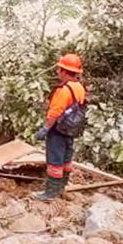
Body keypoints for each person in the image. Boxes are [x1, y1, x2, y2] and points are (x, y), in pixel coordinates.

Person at [34, 54, 87, 201]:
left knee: (55, 160)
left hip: (58, 129)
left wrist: (45, 128)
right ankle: (61, 188)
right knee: (66, 160)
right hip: (72, 129)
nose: (57, 71)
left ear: (64, 71)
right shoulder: (79, 88)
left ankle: (50, 193)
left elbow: (55, 112)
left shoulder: (64, 90)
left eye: (59, 69)